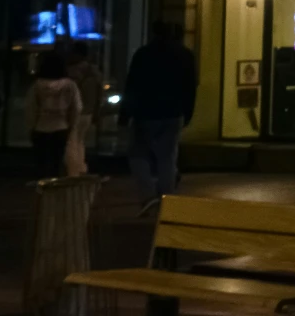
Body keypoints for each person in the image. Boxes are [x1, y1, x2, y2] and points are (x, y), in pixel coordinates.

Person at [120, 23, 198, 213]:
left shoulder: (143, 54)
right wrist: (188, 113)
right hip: (173, 112)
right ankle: (167, 199)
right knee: (167, 157)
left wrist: (125, 114)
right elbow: (190, 87)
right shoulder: (185, 55)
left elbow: (132, 85)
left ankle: (148, 196)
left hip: (145, 112)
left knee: (138, 155)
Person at [28, 50, 81, 179]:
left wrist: (31, 127)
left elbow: (31, 109)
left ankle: (42, 190)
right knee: (57, 163)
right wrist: (72, 125)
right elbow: (77, 107)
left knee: (42, 163)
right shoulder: (70, 85)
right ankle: (55, 190)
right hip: (61, 127)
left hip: (41, 127)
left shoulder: (37, 85)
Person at [64, 40, 104, 178]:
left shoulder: (71, 71)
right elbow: (99, 94)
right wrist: (97, 112)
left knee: (71, 142)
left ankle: (73, 171)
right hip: (89, 111)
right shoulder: (94, 72)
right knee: (80, 141)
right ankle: (81, 168)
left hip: (75, 111)